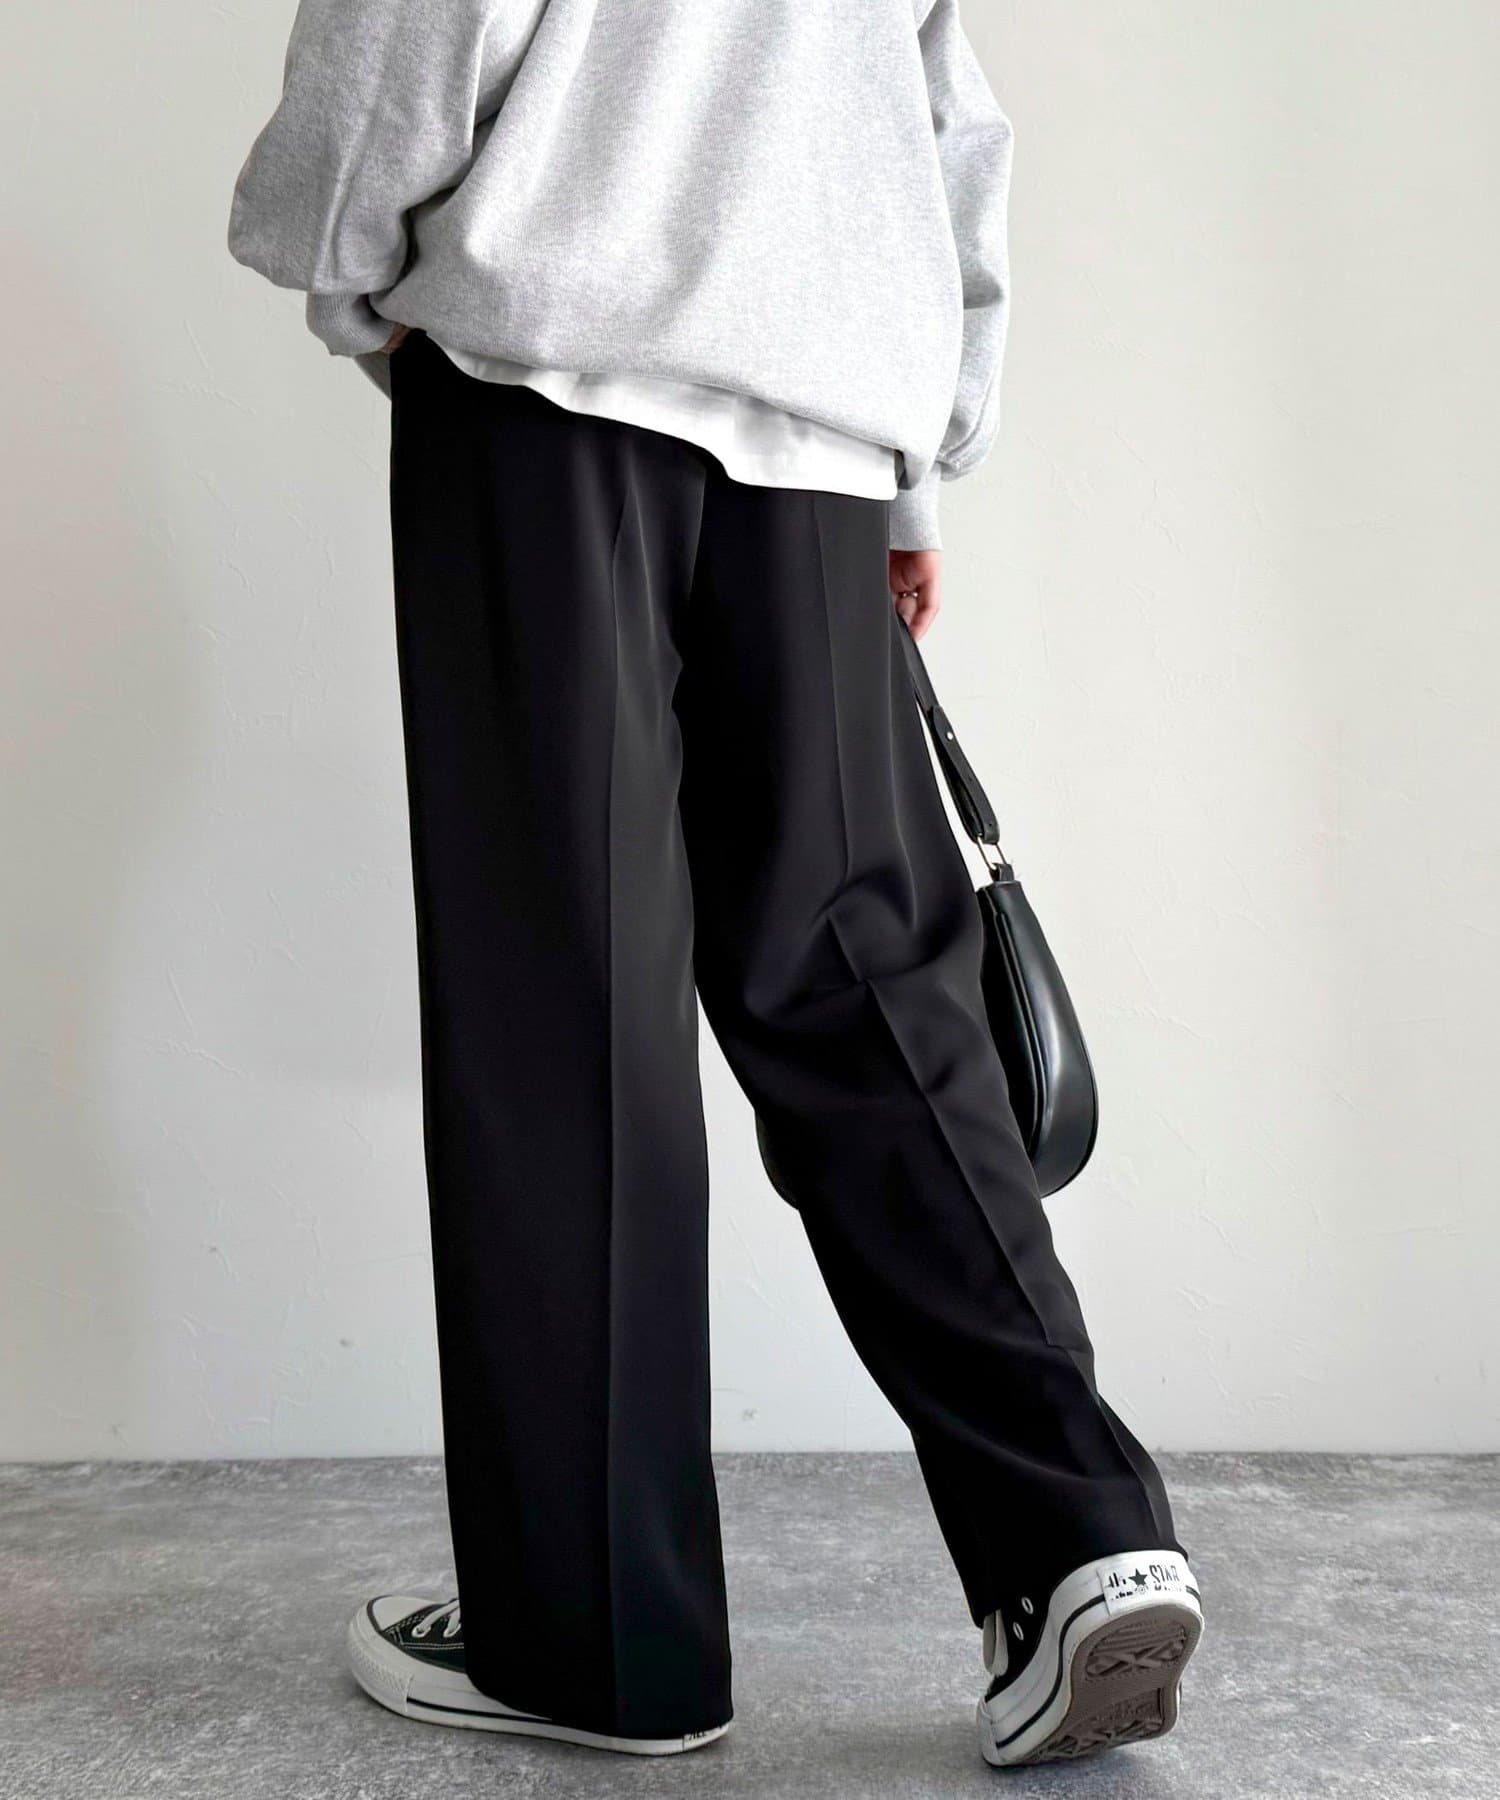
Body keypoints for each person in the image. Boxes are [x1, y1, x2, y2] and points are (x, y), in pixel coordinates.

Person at [227, 0, 1203, 1769]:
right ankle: (1079, 1540)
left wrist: (351, 262)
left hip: (548, 385)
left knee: (564, 997)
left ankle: (598, 1645)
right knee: (871, 985)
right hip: (820, 425)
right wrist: (915, 458)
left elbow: (413, 28)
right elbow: (941, 112)